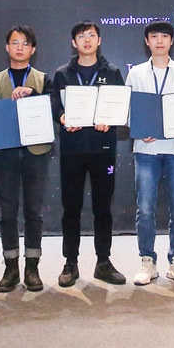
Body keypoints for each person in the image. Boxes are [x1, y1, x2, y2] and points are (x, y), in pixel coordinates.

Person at [49, 21, 128, 287]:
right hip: (72, 150)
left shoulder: (112, 72)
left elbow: (121, 106)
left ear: (99, 40)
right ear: (74, 43)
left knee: (103, 208)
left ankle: (103, 262)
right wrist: (62, 117)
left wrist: (111, 119)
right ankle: (70, 263)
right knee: (71, 208)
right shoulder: (62, 74)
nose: (86, 40)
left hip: (103, 150)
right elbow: (55, 106)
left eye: (91, 35)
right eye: (81, 36)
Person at [126, 20, 174, 286]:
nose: (159, 41)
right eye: (154, 36)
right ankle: (148, 261)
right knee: (145, 210)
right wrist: (138, 127)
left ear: (171, 41)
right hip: (147, 149)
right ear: (147, 41)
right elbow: (129, 109)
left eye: (164, 36)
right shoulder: (136, 73)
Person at [0, 26, 51, 292]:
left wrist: (32, 94)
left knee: (33, 212)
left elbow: (54, 109)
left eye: (25, 43)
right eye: (14, 42)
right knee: (7, 212)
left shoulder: (43, 78)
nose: (19, 47)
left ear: (32, 49)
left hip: (35, 152)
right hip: (4, 154)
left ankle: (32, 267)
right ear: (7, 47)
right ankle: (11, 267)